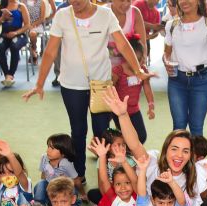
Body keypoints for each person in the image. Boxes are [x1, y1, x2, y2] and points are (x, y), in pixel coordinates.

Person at [23, 0, 152, 188]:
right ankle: (79, 176)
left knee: (102, 133)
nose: (74, 2)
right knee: (78, 131)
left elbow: (123, 45)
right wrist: (40, 83)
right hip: (71, 85)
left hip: (101, 84)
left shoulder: (106, 15)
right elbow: (50, 51)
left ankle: (108, 179)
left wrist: (138, 71)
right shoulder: (62, 15)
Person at [162, 0, 207, 134]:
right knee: (178, 127)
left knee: (196, 127)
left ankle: (196, 156)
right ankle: (179, 155)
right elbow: (166, 53)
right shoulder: (171, 25)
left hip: (201, 80)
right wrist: (166, 62)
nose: (184, 2)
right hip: (176, 80)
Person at [0, 0, 31, 87]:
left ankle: (10, 75)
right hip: (5, 35)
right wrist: (2, 18)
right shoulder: (1, 5)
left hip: (19, 34)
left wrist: (16, 33)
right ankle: (6, 74)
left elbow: (27, 25)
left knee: (14, 46)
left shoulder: (21, 6)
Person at [108, 0, 147, 68]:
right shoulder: (102, 13)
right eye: (122, 0)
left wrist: (141, 65)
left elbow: (142, 45)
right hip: (106, 69)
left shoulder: (135, 13)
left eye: (129, 1)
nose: (126, 4)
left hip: (130, 67)